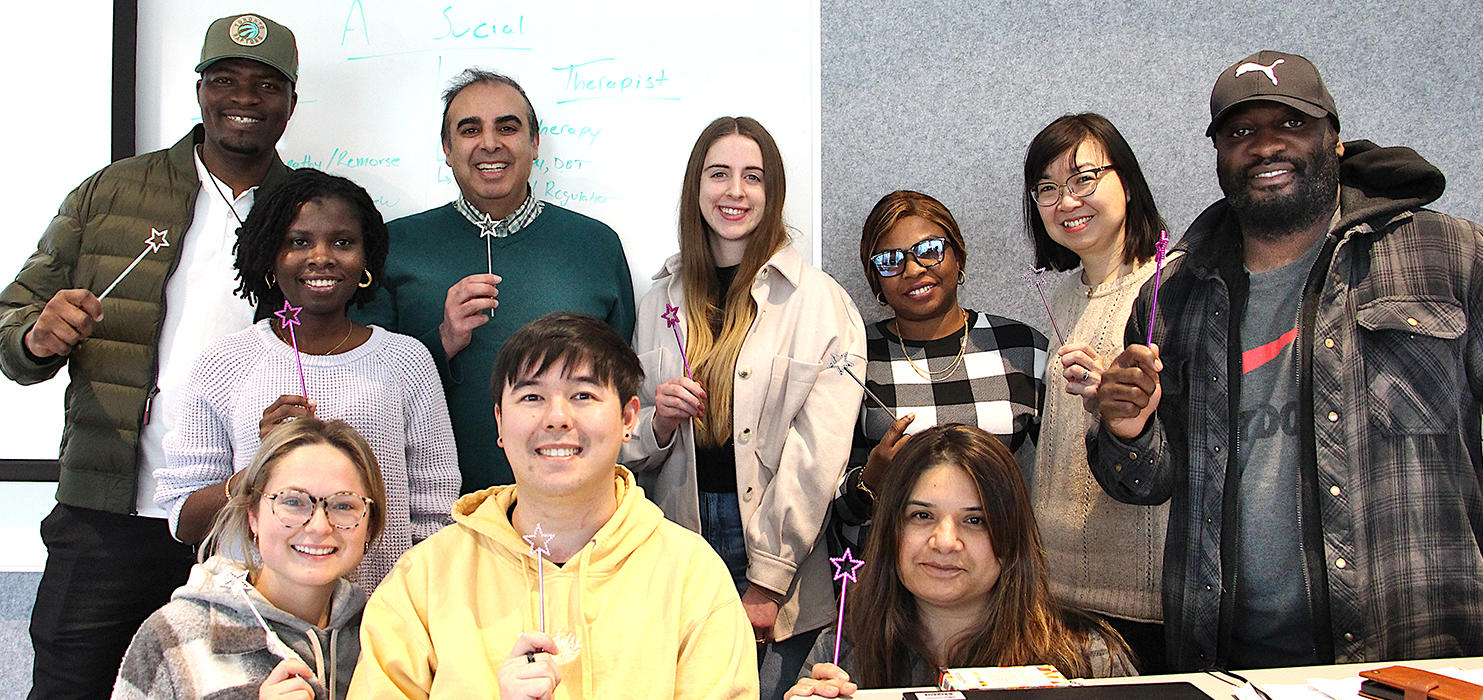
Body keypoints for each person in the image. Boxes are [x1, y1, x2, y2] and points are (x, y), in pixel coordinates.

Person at [1090, 50, 1483, 671]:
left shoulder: (1449, 256)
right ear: (1220, 153)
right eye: (1241, 132)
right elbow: (1147, 482)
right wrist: (1126, 428)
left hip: (1425, 659)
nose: (1265, 147)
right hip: (1228, 666)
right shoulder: (1173, 294)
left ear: (1334, 140)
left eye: (1292, 124)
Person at [0, 13, 299, 696]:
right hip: (112, 512)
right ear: (199, 90)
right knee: (72, 684)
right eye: (225, 80)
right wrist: (34, 337)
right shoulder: (112, 193)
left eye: (265, 84)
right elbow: (11, 320)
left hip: (249, 524)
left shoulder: (310, 209)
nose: (244, 99)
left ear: (290, 101)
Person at [349, 312, 756, 698]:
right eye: (531, 397)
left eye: (583, 395)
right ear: (499, 422)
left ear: (629, 418)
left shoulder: (692, 576)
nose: (557, 418)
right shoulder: (423, 578)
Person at [622, 116, 865, 697]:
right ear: (695, 187)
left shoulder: (820, 302)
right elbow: (626, 443)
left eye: (753, 177)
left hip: (776, 543)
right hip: (674, 535)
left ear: (773, 191)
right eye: (719, 174)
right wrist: (658, 423)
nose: (735, 192)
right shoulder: (659, 299)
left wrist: (769, 579)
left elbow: (817, 458)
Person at [154, 168, 460, 593]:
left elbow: (436, 513)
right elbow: (184, 522)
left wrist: (411, 617)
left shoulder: (406, 360)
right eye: (298, 242)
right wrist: (260, 468)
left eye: (343, 242)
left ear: (367, 259)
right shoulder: (223, 363)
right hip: (257, 621)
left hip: (377, 625)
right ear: (270, 257)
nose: (321, 257)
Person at [353, 68, 635, 493]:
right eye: (470, 130)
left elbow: (620, 381)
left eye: (507, 127)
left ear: (534, 143)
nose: (490, 143)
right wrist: (442, 340)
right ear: (447, 150)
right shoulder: (393, 246)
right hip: (430, 509)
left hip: (571, 505)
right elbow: (362, 387)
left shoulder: (595, 245)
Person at [786, 424, 1134, 698]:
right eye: (922, 515)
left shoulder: (1088, 657)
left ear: (1011, 534)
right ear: (891, 528)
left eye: (975, 520)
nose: (945, 542)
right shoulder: (843, 651)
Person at [1020, 114, 1174, 673]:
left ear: (1126, 182)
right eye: (1048, 189)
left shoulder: (1171, 287)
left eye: (1085, 179)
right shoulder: (1064, 296)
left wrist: (1121, 403)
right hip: (1057, 593)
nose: (1067, 201)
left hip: (1150, 601)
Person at [830, 190, 1046, 555]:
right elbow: (828, 510)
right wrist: (872, 480)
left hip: (996, 573)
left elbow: (1059, 483)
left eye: (929, 250)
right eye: (890, 260)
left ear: (957, 256)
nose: (913, 270)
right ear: (875, 281)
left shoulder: (1021, 347)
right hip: (884, 578)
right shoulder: (853, 356)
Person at [114, 417, 382, 699]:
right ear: (252, 516)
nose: (318, 526)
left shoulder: (384, 635)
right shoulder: (175, 636)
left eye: (343, 505)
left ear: (370, 525)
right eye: (292, 501)